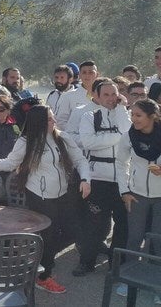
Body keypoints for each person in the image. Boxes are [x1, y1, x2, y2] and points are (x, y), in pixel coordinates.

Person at [0, 105, 91, 294]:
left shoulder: (62, 137)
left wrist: (86, 179)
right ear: (39, 122)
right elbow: (9, 164)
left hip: (63, 193)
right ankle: (43, 276)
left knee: (73, 231)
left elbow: (80, 160)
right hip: (39, 195)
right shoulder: (26, 142)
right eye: (50, 119)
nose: (54, 121)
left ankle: (38, 258)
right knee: (48, 235)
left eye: (53, 117)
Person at [75, 79, 131, 276]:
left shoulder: (124, 115)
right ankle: (86, 262)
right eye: (105, 94)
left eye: (114, 94)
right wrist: (119, 136)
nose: (110, 98)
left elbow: (129, 135)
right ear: (96, 97)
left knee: (123, 225)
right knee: (94, 224)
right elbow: (89, 142)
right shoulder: (89, 116)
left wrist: (122, 109)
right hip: (98, 179)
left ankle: (116, 265)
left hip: (123, 180)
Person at [116, 99, 161, 302]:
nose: (133, 119)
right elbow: (120, 163)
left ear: (152, 116)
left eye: (138, 115)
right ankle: (129, 280)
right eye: (132, 114)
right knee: (134, 238)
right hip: (136, 194)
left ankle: (157, 284)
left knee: (158, 240)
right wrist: (124, 191)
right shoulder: (128, 136)